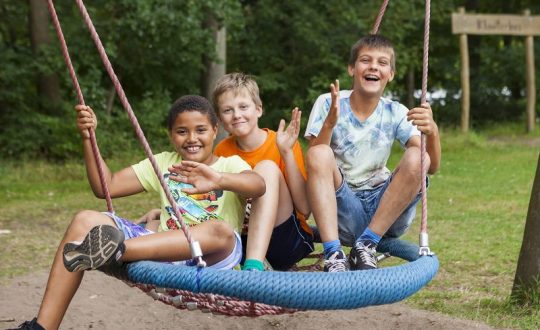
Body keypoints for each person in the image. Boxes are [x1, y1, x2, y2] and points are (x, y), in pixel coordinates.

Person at [13, 95, 265, 330]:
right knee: (84, 220)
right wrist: (88, 138)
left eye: (200, 130)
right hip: (165, 253)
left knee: (220, 229)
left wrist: (219, 180)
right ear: (170, 135)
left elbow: (258, 185)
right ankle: (41, 327)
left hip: (213, 262)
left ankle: (115, 250)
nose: (191, 138)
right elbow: (105, 186)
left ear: (215, 130)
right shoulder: (164, 163)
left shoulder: (228, 164)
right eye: (181, 131)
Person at [304, 34, 441, 272]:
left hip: (386, 211)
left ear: (391, 74)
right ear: (352, 68)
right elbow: (314, 160)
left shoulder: (396, 111)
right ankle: (334, 254)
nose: (373, 67)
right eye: (365, 60)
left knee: (419, 154)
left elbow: (431, 166)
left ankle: (366, 245)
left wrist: (434, 132)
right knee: (319, 154)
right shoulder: (329, 102)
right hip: (343, 207)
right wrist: (329, 124)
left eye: (382, 62)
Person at [212, 72, 314, 271]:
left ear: (258, 109)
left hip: (284, 240)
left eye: (243, 107)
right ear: (220, 119)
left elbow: (305, 208)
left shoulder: (282, 143)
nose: (236, 115)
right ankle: (249, 261)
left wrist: (286, 153)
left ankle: (254, 265)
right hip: (240, 241)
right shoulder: (222, 151)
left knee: (266, 168)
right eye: (227, 110)